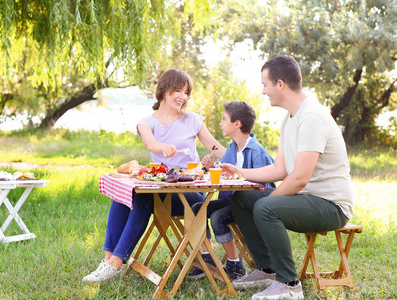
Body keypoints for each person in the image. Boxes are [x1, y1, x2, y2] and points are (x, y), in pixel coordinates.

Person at [220, 55, 354, 300]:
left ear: (280, 84)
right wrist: (240, 173)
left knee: (264, 207)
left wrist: (266, 203)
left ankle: (289, 284)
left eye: (265, 85)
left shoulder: (312, 116)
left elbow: (300, 177)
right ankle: (267, 269)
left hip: (330, 205)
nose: (263, 91)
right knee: (242, 198)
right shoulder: (287, 118)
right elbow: (279, 170)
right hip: (306, 199)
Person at [82, 69, 226, 283]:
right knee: (127, 195)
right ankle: (109, 259)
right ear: (164, 91)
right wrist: (163, 148)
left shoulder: (193, 120)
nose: (183, 97)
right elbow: (151, 143)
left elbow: (216, 148)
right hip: (161, 193)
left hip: (190, 196)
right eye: (178, 90)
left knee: (141, 197)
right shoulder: (146, 123)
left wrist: (239, 157)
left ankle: (116, 263)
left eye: (186, 92)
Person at [187, 101, 276, 280]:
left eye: (224, 119)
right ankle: (208, 259)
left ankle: (235, 264)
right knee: (197, 209)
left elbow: (265, 186)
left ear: (237, 124)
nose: (221, 123)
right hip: (231, 201)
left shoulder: (258, 152)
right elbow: (222, 169)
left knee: (218, 217)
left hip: (249, 205)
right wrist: (210, 167)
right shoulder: (232, 149)